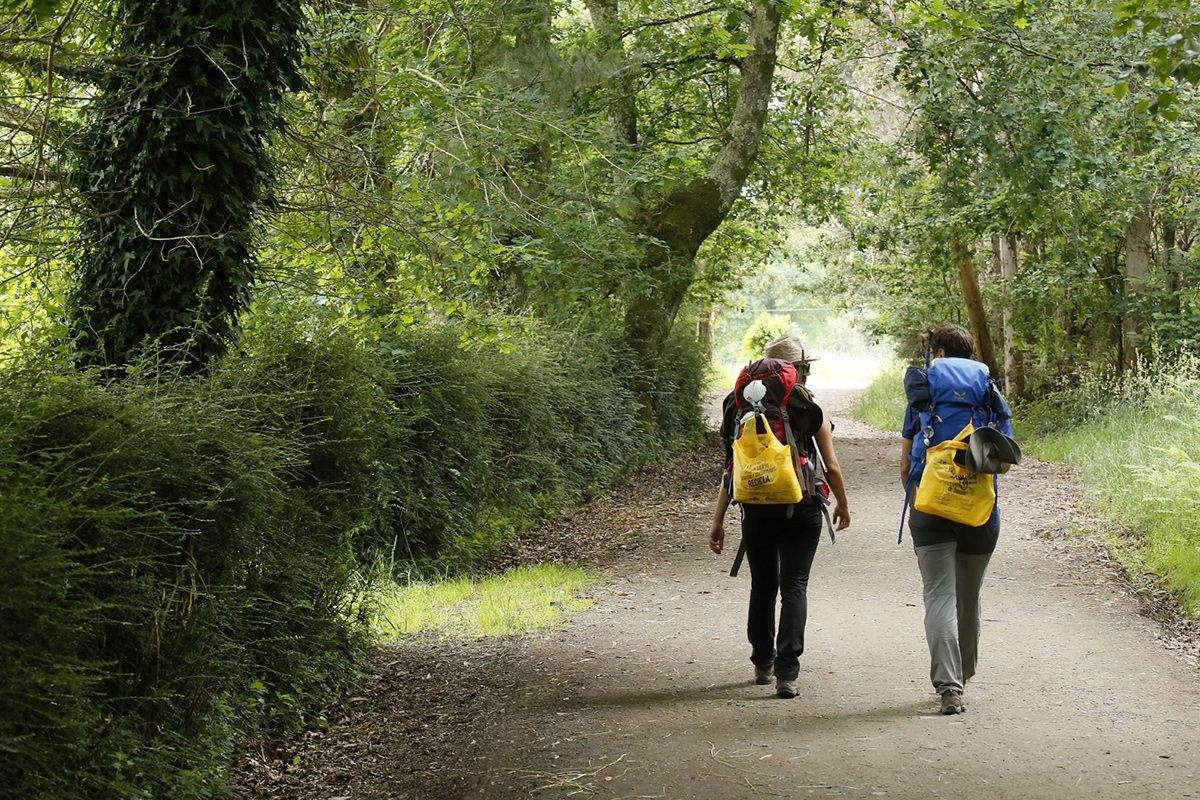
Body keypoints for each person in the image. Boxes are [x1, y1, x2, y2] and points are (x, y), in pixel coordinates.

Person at [709, 335, 851, 699]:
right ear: (800, 369)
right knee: (794, 585)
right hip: (801, 507)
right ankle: (787, 672)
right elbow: (831, 466)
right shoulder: (807, 405)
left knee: (763, 585)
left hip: (755, 506)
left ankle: (762, 663)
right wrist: (842, 503)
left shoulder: (738, 405)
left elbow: (732, 466)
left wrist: (718, 519)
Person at [900, 323, 1014, 715]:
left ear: (941, 353)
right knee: (969, 597)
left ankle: (948, 687)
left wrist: (916, 492)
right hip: (979, 512)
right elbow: (1006, 461)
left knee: (938, 595)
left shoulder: (924, 387)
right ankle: (961, 679)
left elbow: (905, 461)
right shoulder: (988, 390)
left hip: (929, 507)